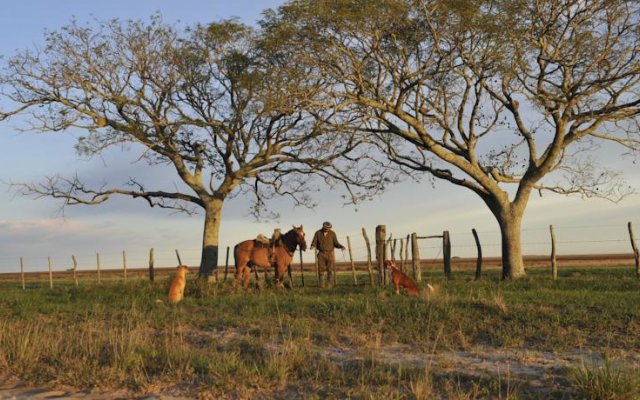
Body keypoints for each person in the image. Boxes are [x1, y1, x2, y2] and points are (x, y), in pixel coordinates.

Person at [310, 221, 345, 288]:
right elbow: (314, 241)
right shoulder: (318, 233)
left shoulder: (332, 233)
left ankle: (330, 285)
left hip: (330, 254)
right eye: (326, 228)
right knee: (321, 270)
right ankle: (321, 286)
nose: (327, 229)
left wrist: (341, 246)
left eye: (329, 228)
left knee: (330, 270)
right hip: (321, 253)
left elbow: (336, 243)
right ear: (323, 227)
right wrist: (312, 246)